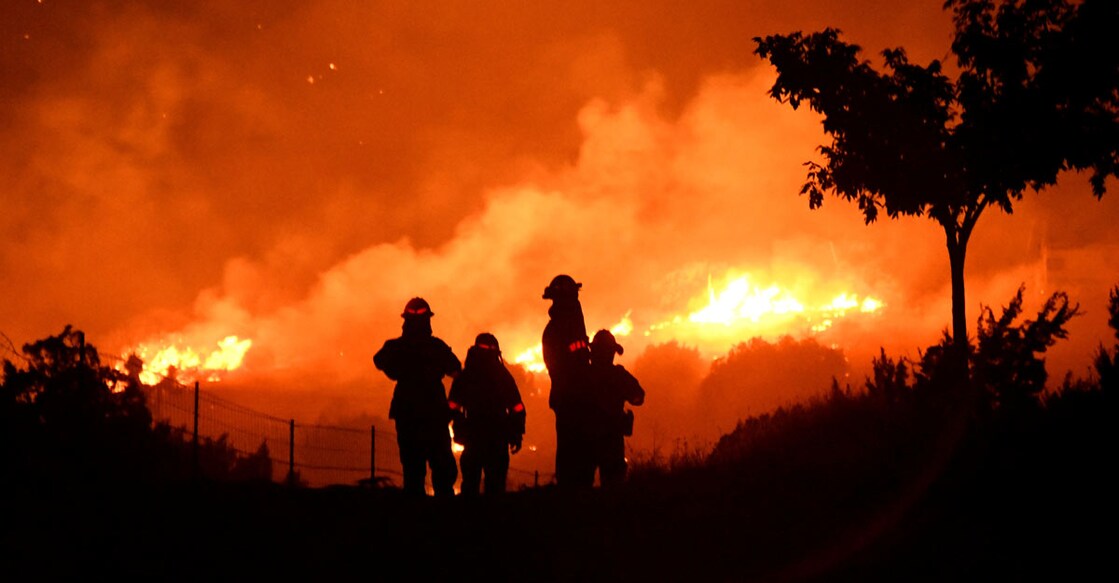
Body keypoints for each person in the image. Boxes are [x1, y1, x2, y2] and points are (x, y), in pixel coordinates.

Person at [373, 297, 461, 497]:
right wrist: (453, 406)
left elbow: (379, 360)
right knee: (441, 468)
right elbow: (457, 371)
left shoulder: (397, 347)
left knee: (413, 468)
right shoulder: (436, 347)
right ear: (428, 321)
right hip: (434, 413)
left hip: (408, 412)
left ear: (405, 321)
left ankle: (415, 516)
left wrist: (396, 370)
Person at [448, 333, 526, 496]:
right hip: (495, 437)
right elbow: (517, 407)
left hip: (474, 436)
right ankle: (492, 519)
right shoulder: (502, 375)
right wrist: (516, 433)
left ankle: (471, 519)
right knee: (494, 487)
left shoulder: (466, 375)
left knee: (471, 485)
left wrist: (458, 425)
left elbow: (452, 406)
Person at [540, 274, 592, 488]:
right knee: (572, 446)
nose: (576, 302)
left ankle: (577, 488)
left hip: (573, 395)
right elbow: (567, 362)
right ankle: (571, 490)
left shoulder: (568, 326)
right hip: (570, 396)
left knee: (580, 446)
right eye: (572, 297)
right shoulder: (558, 330)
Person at [587, 329, 645, 486]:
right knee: (613, 487)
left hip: (586, 438)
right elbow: (638, 396)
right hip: (611, 440)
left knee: (582, 488)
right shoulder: (618, 376)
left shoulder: (584, 375)